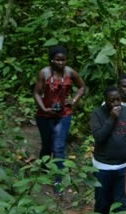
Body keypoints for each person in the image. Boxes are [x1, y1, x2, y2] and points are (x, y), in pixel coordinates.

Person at [33, 46, 86, 196]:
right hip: (45, 115)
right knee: (47, 146)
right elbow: (36, 93)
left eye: (63, 60)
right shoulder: (44, 73)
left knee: (58, 147)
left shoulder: (70, 72)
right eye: (57, 59)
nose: (61, 63)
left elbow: (82, 87)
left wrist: (74, 100)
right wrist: (43, 108)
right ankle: (42, 171)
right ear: (51, 60)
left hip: (64, 114)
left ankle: (58, 181)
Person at [89, 86, 126, 214]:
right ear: (106, 101)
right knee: (102, 202)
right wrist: (112, 118)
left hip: (123, 166)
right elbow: (99, 137)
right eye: (112, 100)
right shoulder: (97, 114)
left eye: (118, 100)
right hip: (102, 166)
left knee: (120, 202)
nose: (116, 103)